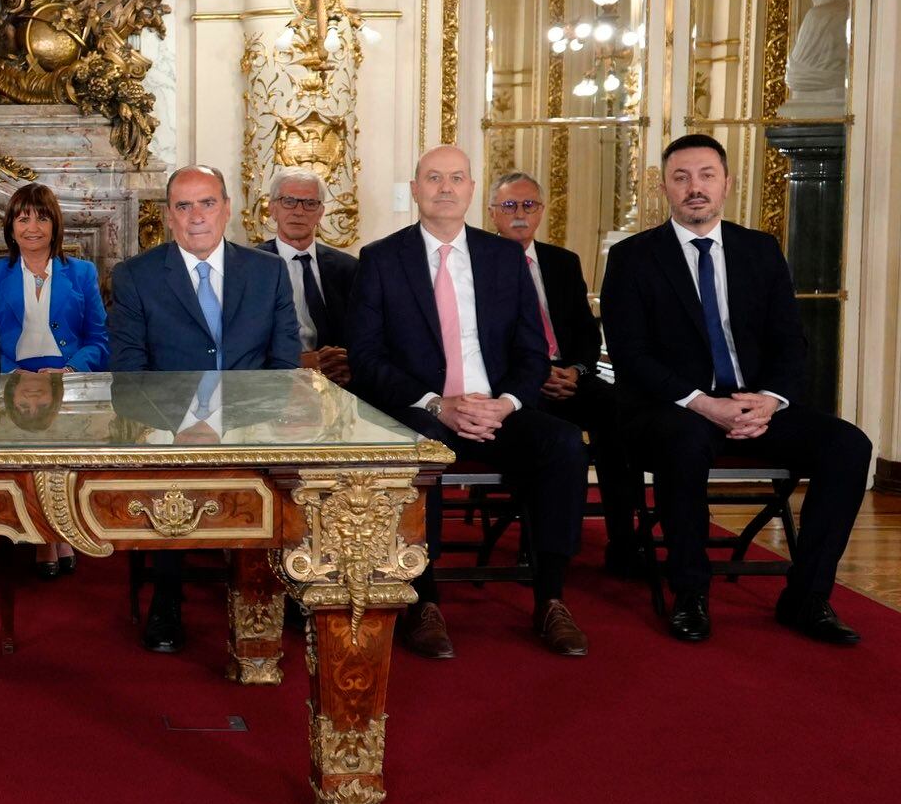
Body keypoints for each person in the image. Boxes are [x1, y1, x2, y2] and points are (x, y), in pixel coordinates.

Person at [600, 133, 870, 646]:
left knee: (848, 445)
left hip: (753, 403)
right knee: (684, 443)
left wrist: (768, 401)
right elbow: (632, 356)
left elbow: (791, 343)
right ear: (664, 188)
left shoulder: (760, 250)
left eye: (706, 176)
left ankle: (807, 597)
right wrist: (705, 404)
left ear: (727, 184)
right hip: (672, 408)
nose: (694, 188)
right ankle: (691, 593)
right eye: (681, 178)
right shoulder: (634, 257)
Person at [347, 146, 591, 660]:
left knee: (565, 444)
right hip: (425, 411)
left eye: (456, 177)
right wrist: (439, 403)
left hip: (497, 410)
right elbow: (368, 360)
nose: (445, 187)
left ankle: (550, 598)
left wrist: (505, 403)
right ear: (414, 189)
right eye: (433, 178)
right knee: (425, 447)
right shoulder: (381, 259)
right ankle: (426, 600)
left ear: (472, 189)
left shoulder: (504, 257)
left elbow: (531, 352)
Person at [108, 165, 299, 654]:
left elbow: (284, 366)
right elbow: (129, 375)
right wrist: (184, 426)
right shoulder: (136, 277)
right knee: (174, 476)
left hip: (252, 424)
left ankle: (270, 591)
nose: (197, 216)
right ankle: (166, 598)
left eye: (207, 203)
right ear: (168, 216)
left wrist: (244, 423)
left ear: (228, 208)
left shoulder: (268, 271)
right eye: (183, 206)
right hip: (171, 427)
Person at [485, 171, 643, 574]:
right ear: (492, 213)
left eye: (529, 205)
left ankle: (624, 540)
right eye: (509, 206)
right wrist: (534, 375)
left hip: (568, 377)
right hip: (516, 384)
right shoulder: (478, 263)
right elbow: (480, 344)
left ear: (541, 211)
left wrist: (575, 369)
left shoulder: (562, 263)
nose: (520, 214)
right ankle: (537, 542)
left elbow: (586, 334)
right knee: (547, 433)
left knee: (617, 412)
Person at [0, 182, 108, 577]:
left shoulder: (82, 273)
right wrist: (10, 372)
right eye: (23, 218)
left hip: (67, 377)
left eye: (42, 216)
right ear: (11, 227)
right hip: (10, 377)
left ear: (55, 225)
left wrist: (69, 372)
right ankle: (44, 537)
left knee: (60, 446)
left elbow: (99, 338)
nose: (32, 226)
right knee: (24, 445)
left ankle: (60, 531)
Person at [253, 166, 357, 387]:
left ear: (320, 213)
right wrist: (297, 362)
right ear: (272, 208)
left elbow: (364, 335)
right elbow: (241, 344)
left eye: (310, 204)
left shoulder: (349, 268)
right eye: (289, 201)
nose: (299, 212)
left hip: (339, 385)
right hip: (273, 382)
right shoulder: (249, 267)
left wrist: (347, 362)